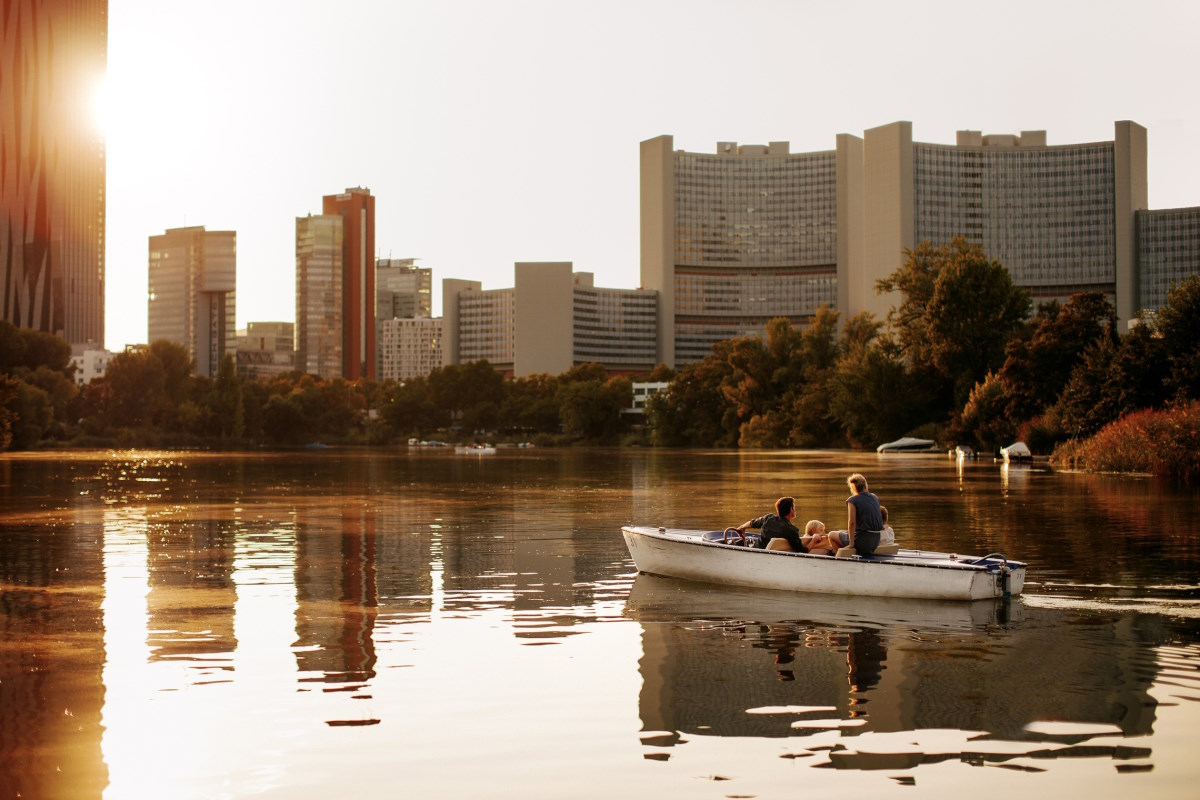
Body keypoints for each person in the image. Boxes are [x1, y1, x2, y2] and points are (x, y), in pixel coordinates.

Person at [734, 496, 807, 552]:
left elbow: (753, 523)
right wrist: (814, 540)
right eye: (794, 507)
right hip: (769, 554)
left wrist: (742, 527)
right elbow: (803, 550)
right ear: (791, 509)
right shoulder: (792, 530)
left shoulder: (769, 518)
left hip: (757, 549)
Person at [843, 472, 884, 556]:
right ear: (865, 485)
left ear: (853, 488)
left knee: (832, 535)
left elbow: (852, 523)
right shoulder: (874, 497)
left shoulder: (853, 500)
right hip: (876, 540)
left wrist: (851, 544)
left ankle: (841, 561)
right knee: (842, 532)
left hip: (863, 540)